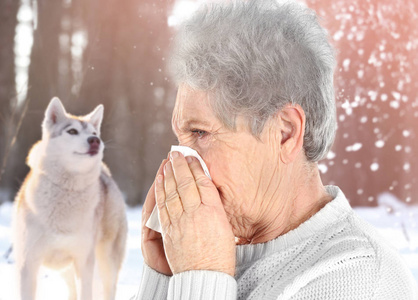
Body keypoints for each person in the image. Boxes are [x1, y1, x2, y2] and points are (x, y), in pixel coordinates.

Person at [134, 0, 418, 299]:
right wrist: (165, 278)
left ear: (285, 133)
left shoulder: (357, 279)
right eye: (181, 138)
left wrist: (201, 274)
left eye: (200, 133)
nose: (180, 163)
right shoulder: (218, 254)